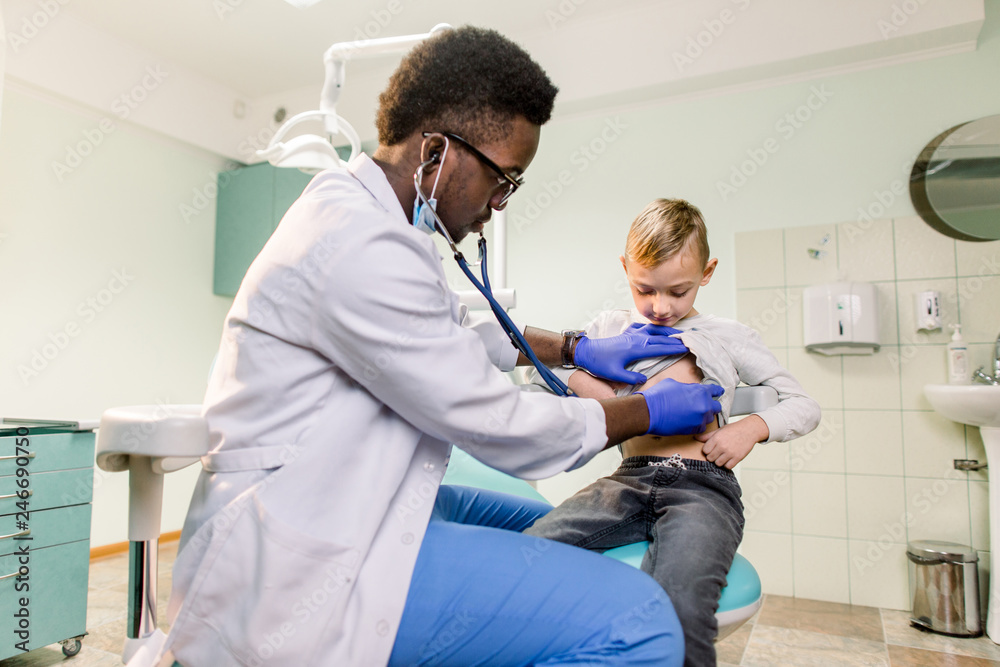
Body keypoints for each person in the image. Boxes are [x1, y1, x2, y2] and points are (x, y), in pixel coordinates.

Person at [153, 29, 725, 667]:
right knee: (641, 619)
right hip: (300, 560)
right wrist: (647, 411)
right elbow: (498, 423)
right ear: (436, 151)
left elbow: (447, 330)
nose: (498, 205)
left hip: (353, 493)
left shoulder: (372, 224)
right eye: (502, 180)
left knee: (548, 529)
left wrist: (574, 346)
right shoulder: (356, 242)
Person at [525, 198, 822, 667]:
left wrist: (751, 429)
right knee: (527, 558)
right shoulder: (609, 328)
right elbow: (539, 372)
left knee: (679, 607)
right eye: (645, 290)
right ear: (625, 268)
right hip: (626, 479)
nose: (660, 307)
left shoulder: (728, 335)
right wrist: (598, 390)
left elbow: (803, 405)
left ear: (707, 272)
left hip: (703, 488)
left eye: (678, 292)